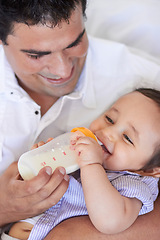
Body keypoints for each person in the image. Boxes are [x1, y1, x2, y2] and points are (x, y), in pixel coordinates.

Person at [0, 0, 160, 239]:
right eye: (36, 55)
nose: (63, 71)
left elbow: (113, 219)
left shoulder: (144, 84)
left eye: (74, 43)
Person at [4, 88, 160, 240]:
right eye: (109, 119)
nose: (108, 132)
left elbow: (110, 223)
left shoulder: (134, 186)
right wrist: (45, 161)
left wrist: (92, 166)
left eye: (127, 138)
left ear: (151, 170)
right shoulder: (80, 151)